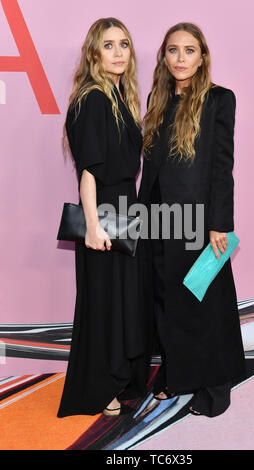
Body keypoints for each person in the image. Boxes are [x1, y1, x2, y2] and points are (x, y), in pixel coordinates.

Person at [138, 22, 246, 417]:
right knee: (166, 304)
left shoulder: (220, 99)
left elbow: (221, 166)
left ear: (202, 58)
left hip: (199, 221)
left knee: (204, 304)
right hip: (158, 218)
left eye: (189, 50)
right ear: (163, 57)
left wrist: (220, 223)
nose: (180, 58)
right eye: (172, 50)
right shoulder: (157, 97)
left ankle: (215, 389)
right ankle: (176, 374)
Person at [57, 18, 150, 418]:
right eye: (108, 45)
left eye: (124, 44)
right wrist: (93, 226)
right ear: (94, 53)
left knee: (122, 300)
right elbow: (89, 171)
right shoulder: (93, 98)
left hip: (125, 210)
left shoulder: (119, 96)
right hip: (105, 212)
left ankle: (119, 377)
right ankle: (99, 387)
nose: (118, 52)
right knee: (104, 302)